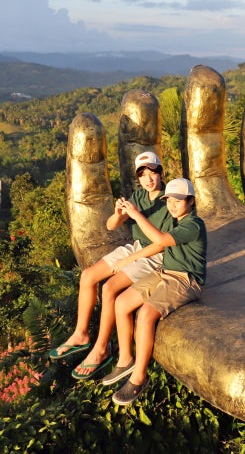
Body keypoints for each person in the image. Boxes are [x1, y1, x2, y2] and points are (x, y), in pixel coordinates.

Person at [49, 151, 173, 380]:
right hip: (137, 247)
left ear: (160, 172)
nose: (148, 179)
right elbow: (110, 226)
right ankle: (81, 334)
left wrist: (129, 259)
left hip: (155, 255)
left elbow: (161, 244)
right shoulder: (138, 196)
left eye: (152, 172)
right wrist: (118, 214)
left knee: (109, 288)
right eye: (143, 174)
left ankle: (101, 348)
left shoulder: (169, 199)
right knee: (87, 276)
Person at [101, 177, 207, 405]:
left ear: (190, 201)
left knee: (146, 314)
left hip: (185, 279)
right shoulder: (176, 221)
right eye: (169, 200)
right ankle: (126, 359)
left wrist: (136, 213)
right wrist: (129, 257)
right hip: (165, 271)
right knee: (121, 303)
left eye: (178, 200)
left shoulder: (193, 224)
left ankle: (139, 377)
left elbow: (159, 239)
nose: (172, 205)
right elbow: (156, 245)